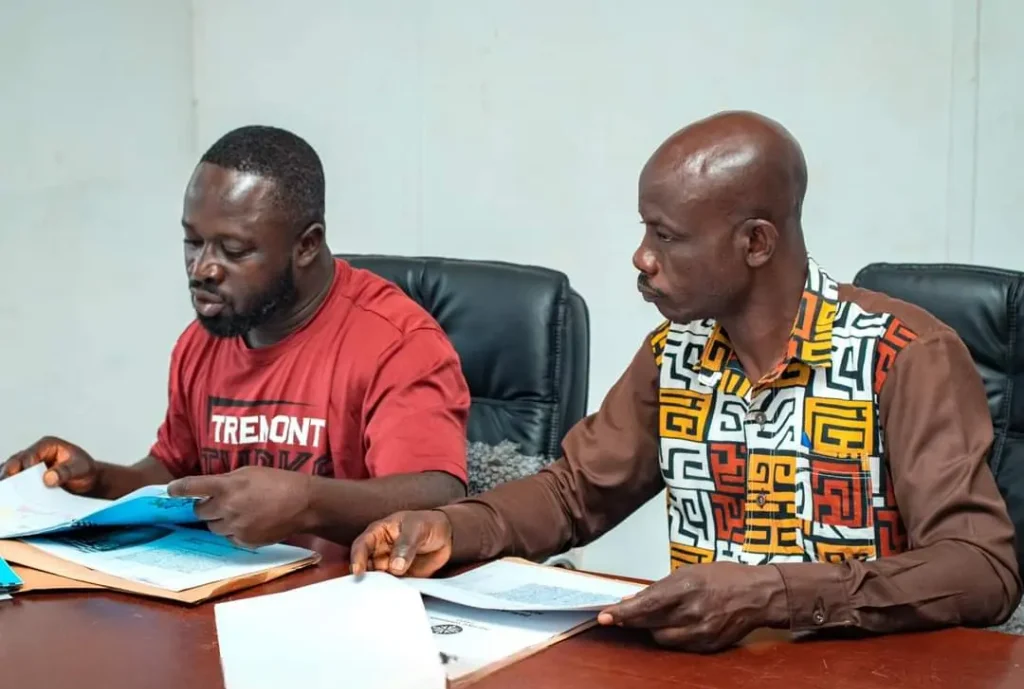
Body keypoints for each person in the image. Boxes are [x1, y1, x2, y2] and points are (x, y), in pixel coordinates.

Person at [351, 111, 1022, 652]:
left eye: (667, 236)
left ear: (756, 242)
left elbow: (979, 569)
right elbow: (574, 493)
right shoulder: (675, 351)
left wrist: (773, 595)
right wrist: (450, 527)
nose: (642, 258)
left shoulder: (905, 356)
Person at [2, 125, 470, 547]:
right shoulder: (203, 340)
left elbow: (437, 493)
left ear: (306, 245)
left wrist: (308, 501)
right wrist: (97, 480)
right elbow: (174, 473)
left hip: (350, 602)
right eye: (193, 241)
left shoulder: (398, 342)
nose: (202, 268)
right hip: (219, 602)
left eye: (233, 249)